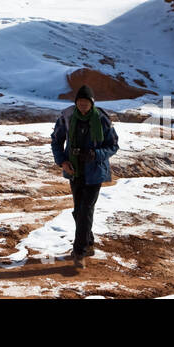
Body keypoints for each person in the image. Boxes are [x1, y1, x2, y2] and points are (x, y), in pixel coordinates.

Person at [50, 85, 119, 267]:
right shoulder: (67, 117)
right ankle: (88, 241)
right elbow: (56, 140)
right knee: (78, 211)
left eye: (86, 102)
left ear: (92, 103)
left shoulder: (102, 120)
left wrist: (95, 154)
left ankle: (79, 251)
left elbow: (113, 146)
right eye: (80, 102)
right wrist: (63, 162)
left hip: (95, 172)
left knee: (85, 210)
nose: (82, 105)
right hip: (75, 171)